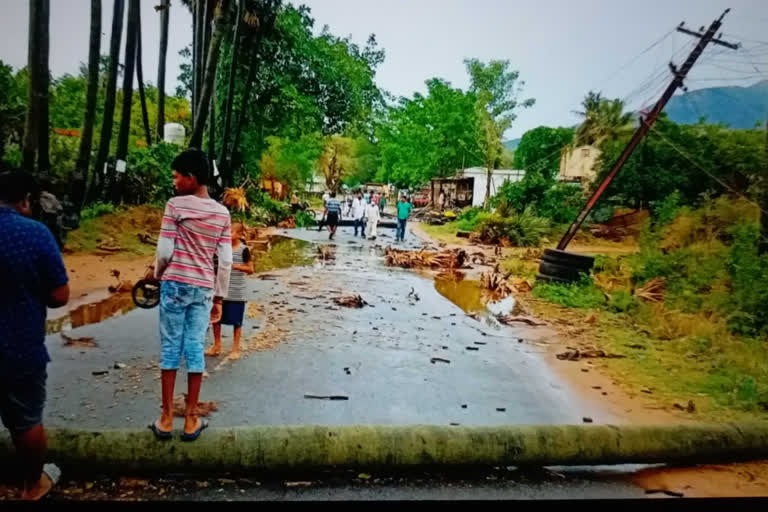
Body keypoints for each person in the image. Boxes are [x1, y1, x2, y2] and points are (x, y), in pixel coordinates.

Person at [151, 149, 232, 442]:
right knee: (195, 347)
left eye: (176, 176)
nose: (173, 182)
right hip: (203, 287)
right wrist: (220, 296)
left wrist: (158, 275)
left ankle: (165, 419)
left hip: (174, 284)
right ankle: (192, 419)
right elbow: (225, 260)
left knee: (171, 348)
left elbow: (164, 251)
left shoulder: (174, 206)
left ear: (191, 177)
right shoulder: (222, 213)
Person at [0, 170, 69, 500]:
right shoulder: (36, 234)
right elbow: (60, 295)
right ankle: (32, 486)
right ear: (25, 201)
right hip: (18, 349)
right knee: (26, 421)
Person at [205, 222, 253, 360]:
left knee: (236, 322)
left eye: (231, 232)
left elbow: (250, 269)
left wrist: (235, 266)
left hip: (237, 291)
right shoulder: (219, 250)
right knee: (216, 319)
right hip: (219, 290)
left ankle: (235, 348)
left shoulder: (244, 250)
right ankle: (217, 345)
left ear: (239, 234)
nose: (227, 235)